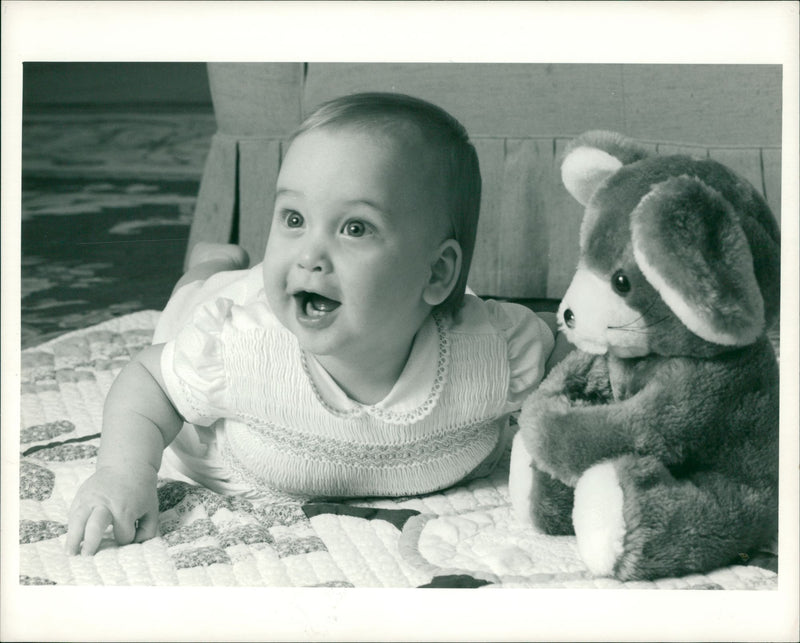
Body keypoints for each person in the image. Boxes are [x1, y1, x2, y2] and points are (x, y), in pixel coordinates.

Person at [66, 92, 560, 556]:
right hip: (235, 313)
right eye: (294, 218)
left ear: (437, 272)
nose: (309, 253)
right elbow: (149, 378)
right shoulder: (238, 347)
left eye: (355, 228)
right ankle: (210, 262)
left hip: (380, 306)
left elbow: (567, 357)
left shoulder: (490, 349)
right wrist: (122, 472)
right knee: (193, 295)